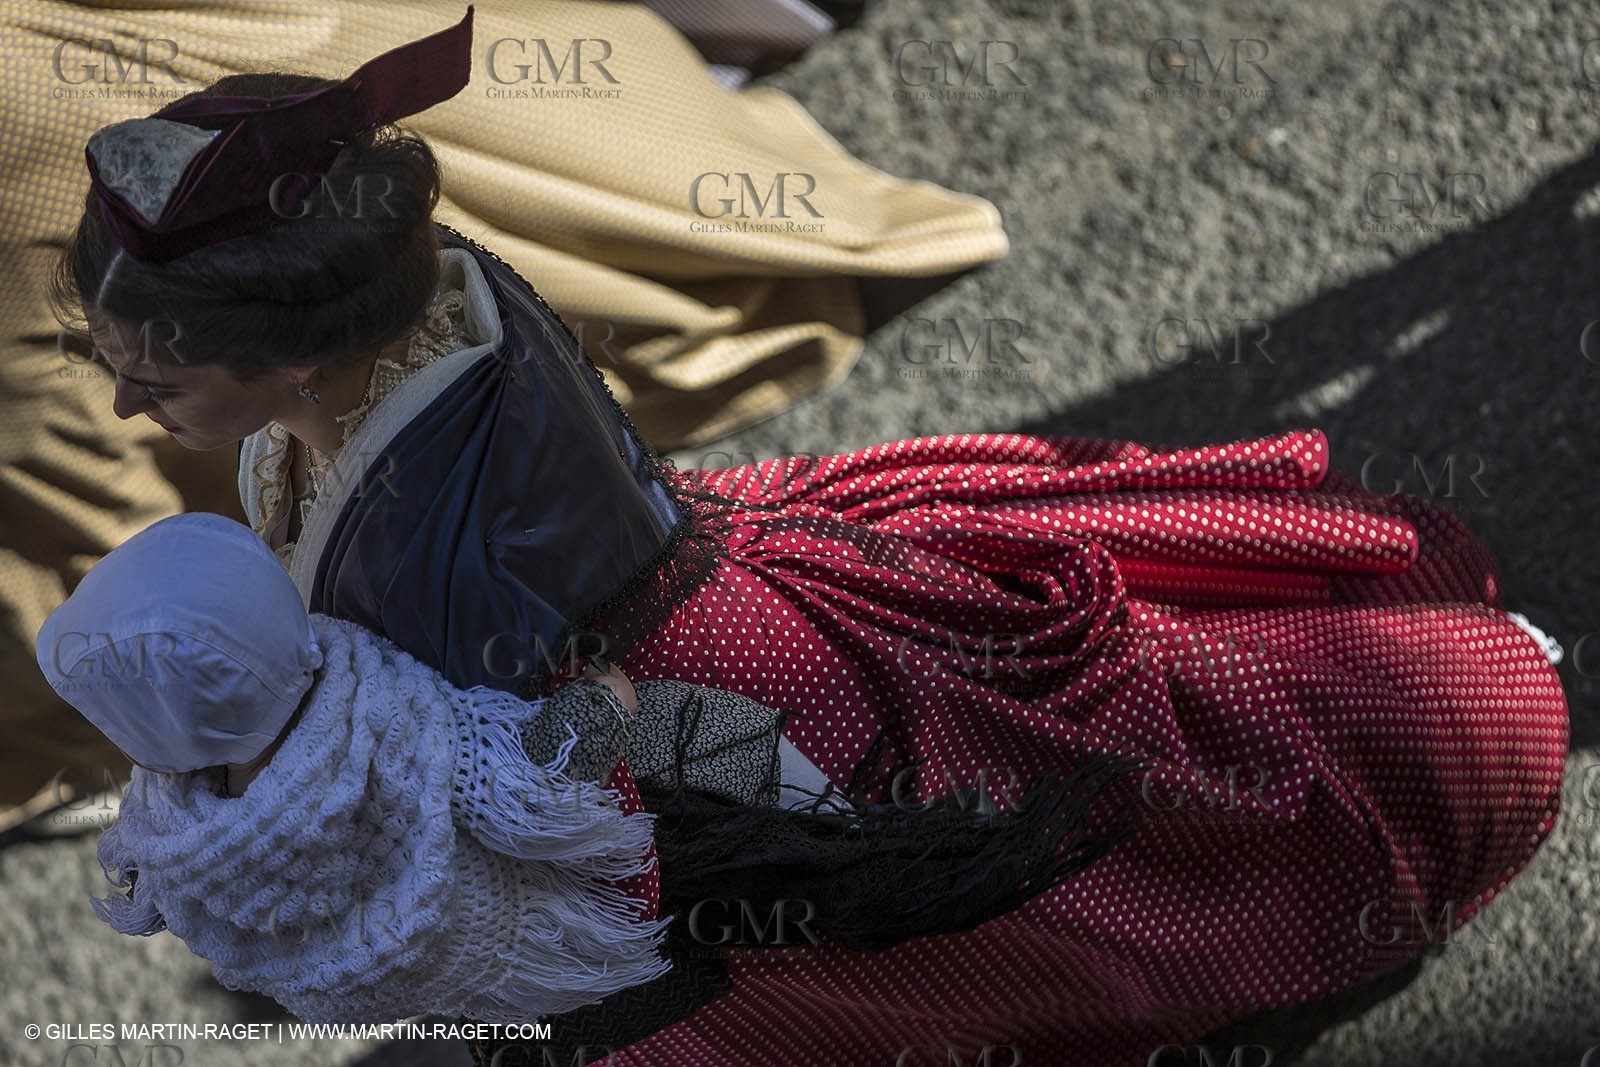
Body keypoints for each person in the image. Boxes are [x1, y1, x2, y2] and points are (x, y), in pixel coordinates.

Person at [48, 11, 1570, 1067]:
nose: (121, 409)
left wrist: (809, 826)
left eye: (159, 378)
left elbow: (619, 726)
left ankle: (1408, 775)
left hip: (696, 716)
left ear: (301, 356)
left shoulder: (472, 536)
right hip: (699, 621)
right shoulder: (416, 299)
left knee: (970, 883)